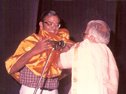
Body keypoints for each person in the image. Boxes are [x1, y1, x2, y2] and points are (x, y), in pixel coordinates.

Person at [5, 10, 73, 94]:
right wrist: (35, 50)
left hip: (53, 91)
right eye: (50, 23)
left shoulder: (61, 43)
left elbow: (70, 69)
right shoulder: (31, 41)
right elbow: (12, 69)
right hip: (31, 90)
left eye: (57, 25)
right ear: (41, 24)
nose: (54, 28)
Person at [58, 20, 119, 94]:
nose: (84, 37)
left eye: (85, 34)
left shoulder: (84, 46)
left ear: (92, 36)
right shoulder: (107, 51)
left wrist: (60, 49)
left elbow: (61, 63)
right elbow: (114, 78)